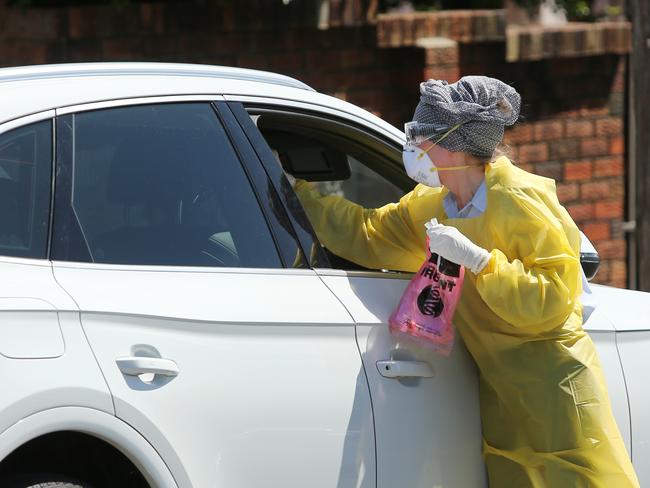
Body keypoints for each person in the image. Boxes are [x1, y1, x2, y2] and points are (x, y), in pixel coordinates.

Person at [292, 76, 639, 487]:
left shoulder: (520, 198)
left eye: (424, 136)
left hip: (555, 386)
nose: (416, 146)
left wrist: (478, 260)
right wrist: (294, 193)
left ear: (456, 142)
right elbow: (367, 234)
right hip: (500, 393)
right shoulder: (432, 206)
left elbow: (553, 298)